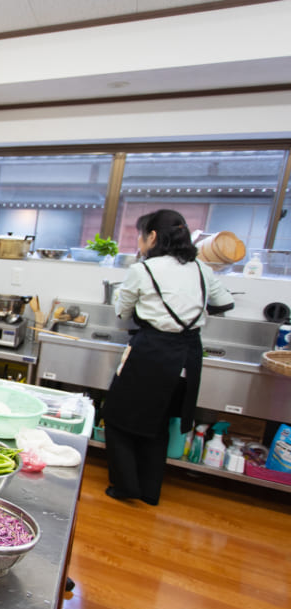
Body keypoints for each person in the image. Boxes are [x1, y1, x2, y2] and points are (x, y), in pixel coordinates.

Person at [103, 209, 234, 505]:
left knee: (116, 417)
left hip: (152, 350)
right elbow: (225, 303)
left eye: (140, 234)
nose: (138, 241)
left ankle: (126, 486)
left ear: (152, 236)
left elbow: (122, 312)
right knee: (159, 420)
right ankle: (150, 491)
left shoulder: (144, 269)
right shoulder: (202, 268)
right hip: (187, 355)